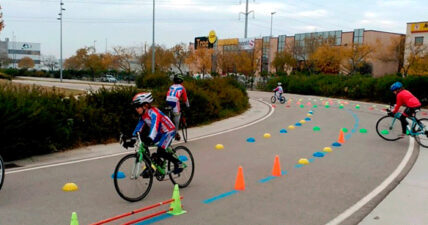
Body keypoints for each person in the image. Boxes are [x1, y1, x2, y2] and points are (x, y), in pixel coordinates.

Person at [127, 92, 183, 175]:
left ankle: (178, 163)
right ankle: (149, 168)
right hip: (160, 133)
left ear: (145, 105)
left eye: (137, 106)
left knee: (160, 150)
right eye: (135, 107)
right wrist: (132, 138)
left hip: (168, 131)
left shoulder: (154, 113)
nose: (136, 109)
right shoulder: (143, 115)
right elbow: (139, 127)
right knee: (144, 144)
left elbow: (154, 127)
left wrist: (151, 137)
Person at [166, 75, 190, 141]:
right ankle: (176, 132)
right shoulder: (182, 88)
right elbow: (185, 99)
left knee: (169, 116)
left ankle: (168, 122)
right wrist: (188, 106)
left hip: (168, 100)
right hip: (175, 102)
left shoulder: (171, 86)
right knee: (177, 117)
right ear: (181, 81)